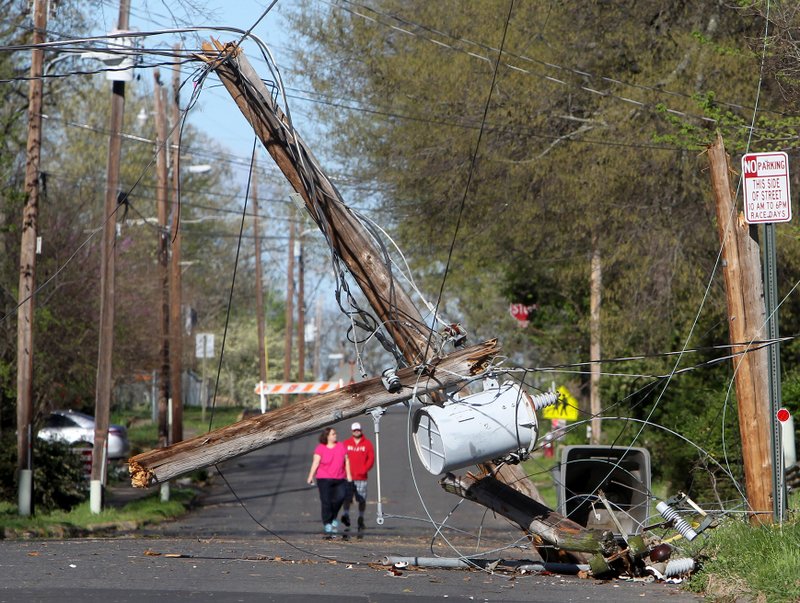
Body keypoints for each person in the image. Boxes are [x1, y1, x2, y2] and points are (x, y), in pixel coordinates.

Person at [307, 427, 352, 538]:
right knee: (326, 501)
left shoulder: (341, 446)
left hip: (339, 477)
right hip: (324, 478)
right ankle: (328, 523)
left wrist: (349, 475)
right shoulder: (320, 448)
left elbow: (346, 461)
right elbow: (315, 463)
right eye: (332, 434)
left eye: (335, 433)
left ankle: (333, 517)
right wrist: (310, 476)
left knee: (340, 498)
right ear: (327, 436)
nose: (335, 435)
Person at [340, 421, 375, 536]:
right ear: (352, 431)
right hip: (348, 477)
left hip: (361, 477)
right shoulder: (346, 443)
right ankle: (346, 515)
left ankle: (361, 517)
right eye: (355, 430)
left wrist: (364, 469)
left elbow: (371, 458)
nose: (357, 432)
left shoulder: (367, 444)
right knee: (347, 498)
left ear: (361, 430)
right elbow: (341, 458)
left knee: (361, 499)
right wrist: (344, 471)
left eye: (358, 430)